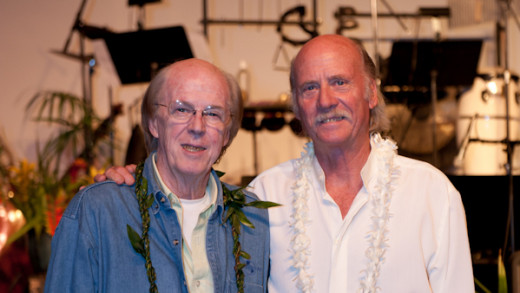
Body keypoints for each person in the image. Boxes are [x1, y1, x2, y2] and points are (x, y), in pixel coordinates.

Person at [98, 35, 474, 292]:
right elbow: (190, 221)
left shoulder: (432, 193)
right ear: (296, 104)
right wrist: (136, 182)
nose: (325, 100)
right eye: (309, 88)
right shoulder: (262, 197)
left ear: (370, 91)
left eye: (340, 82)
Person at [44, 59, 271, 293]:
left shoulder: (254, 218)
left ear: (226, 133)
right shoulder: (98, 212)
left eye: (213, 114)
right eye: (181, 109)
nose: (197, 127)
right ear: (154, 123)